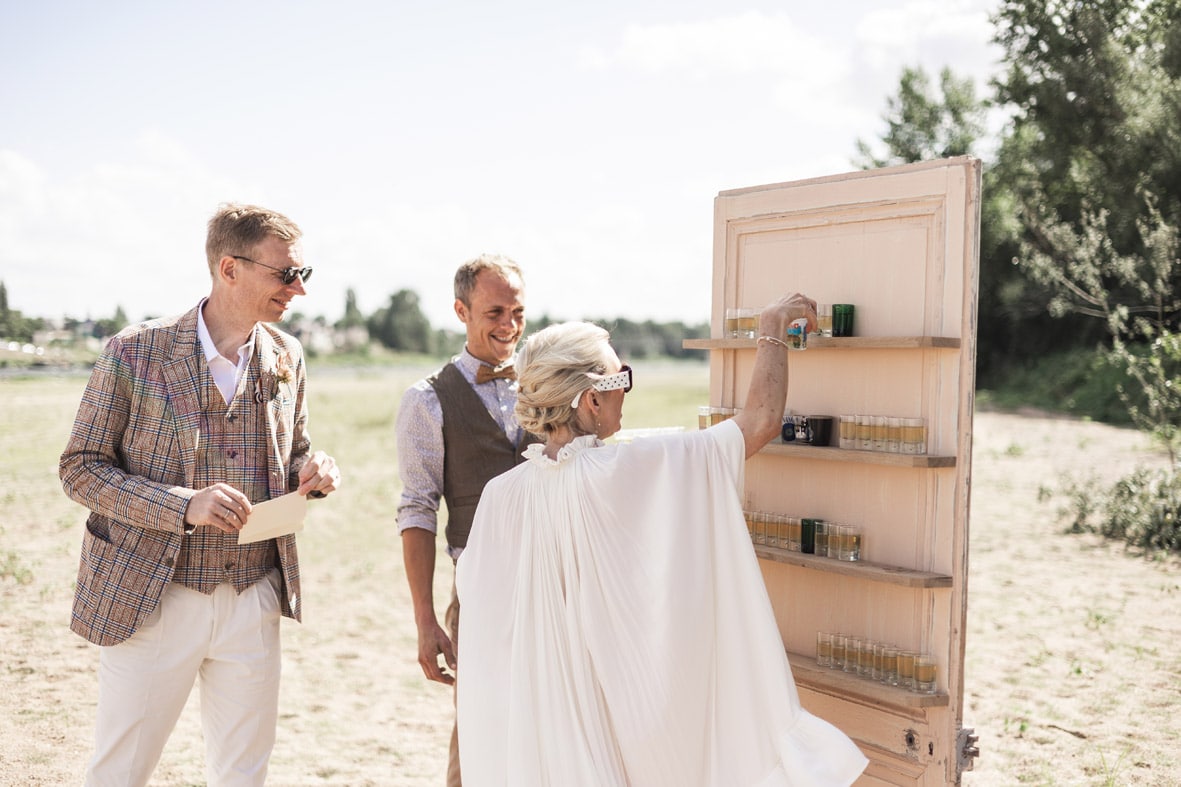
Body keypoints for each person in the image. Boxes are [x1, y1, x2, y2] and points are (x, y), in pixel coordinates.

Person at [455, 294, 870, 786]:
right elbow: (759, 423)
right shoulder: (630, 470)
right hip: (620, 736)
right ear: (591, 398)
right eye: (621, 378)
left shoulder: (501, 496)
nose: (625, 391)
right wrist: (772, 329)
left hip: (538, 746)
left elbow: (487, 630)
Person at [59, 203, 342, 787]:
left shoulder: (288, 356)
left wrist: (312, 472)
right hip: (153, 597)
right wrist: (181, 505)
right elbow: (80, 469)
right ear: (229, 268)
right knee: (120, 772)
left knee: (244, 776)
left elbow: (292, 454)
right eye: (285, 274)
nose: (298, 290)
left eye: (302, 275)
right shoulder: (134, 352)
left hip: (255, 595)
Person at [395, 254, 540, 786]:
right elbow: (417, 511)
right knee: (478, 730)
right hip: (482, 590)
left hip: (557, 584)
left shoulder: (547, 383)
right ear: (461, 310)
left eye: (518, 312)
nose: (509, 326)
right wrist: (426, 620)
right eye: (495, 311)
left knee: (554, 725)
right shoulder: (427, 400)